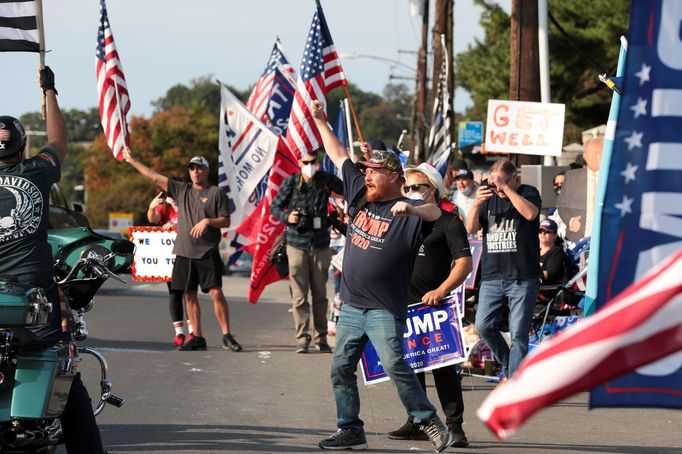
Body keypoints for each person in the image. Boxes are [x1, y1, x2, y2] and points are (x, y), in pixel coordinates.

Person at [311, 100, 454, 453]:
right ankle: (350, 429)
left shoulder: (408, 212)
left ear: (393, 177)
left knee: (393, 363)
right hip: (351, 305)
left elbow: (438, 211)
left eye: (373, 171)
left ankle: (428, 419)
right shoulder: (361, 193)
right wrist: (320, 121)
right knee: (340, 368)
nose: (367, 175)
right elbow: (338, 152)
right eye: (366, 171)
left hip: (383, 308)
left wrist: (414, 208)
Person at [0, 67, 106, 453]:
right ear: (23, 148)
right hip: (31, 295)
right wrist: (49, 91)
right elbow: (59, 139)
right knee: (66, 374)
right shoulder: (37, 171)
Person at [387, 163, 473, 447]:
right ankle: (417, 422)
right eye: (407, 188)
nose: (410, 192)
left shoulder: (449, 222)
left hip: (436, 306)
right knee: (410, 368)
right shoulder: (404, 221)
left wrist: (442, 289)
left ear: (432, 189)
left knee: (444, 369)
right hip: (403, 305)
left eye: (416, 187)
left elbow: (464, 263)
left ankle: (455, 426)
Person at [123, 151, 242, 352]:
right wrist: (132, 159)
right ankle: (197, 336)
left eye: (200, 167)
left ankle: (226, 335)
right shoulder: (181, 190)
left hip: (207, 251)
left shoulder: (215, 193)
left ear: (207, 170)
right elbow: (153, 176)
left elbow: (226, 220)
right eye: (192, 168)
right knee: (189, 294)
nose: (196, 171)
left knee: (216, 292)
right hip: (184, 252)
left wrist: (207, 221)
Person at [466, 159, 541, 379]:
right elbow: (471, 228)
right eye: (494, 183)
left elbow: (530, 214)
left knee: (518, 333)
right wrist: (475, 204)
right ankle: (510, 364)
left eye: (502, 182)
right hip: (492, 275)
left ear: (515, 178)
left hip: (523, 277)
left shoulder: (528, 192)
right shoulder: (488, 198)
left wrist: (506, 188)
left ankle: (514, 382)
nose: (496, 188)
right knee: (483, 325)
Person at [270, 149, 343, 353]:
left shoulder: (326, 180)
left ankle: (321, 339)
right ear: (299, 163)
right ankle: (302, 338)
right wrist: (288, 217)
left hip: (320, 244)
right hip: (296, 243)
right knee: (299, 296)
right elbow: (274, 206)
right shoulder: (291, 182)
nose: (310, 165)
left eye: (313, 161)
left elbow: (349, 189)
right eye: (306, 162)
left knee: (320, 295)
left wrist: (338, 211)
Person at [146, 180, 193, 347]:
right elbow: (153, 219)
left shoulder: (188, 202)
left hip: (187, 253)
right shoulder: (163, 207)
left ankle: (193, 331)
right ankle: (179, 333)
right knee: (175, 293)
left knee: (189, 292)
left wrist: (175, 210)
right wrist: (152, 207)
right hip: (169, 257)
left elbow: (189, 219)